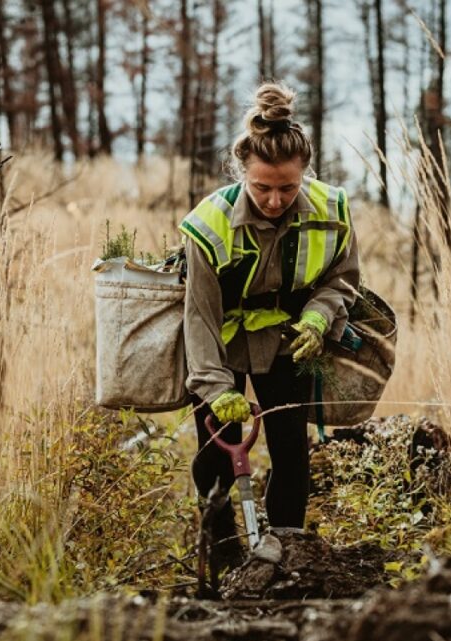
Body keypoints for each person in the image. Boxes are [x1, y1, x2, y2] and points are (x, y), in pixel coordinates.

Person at [180, 82, 360, 567]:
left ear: (305, 173)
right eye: (262, 188)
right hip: (219, 344)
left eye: (288, 187)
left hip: (287, 341)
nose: (275, 200)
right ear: (242, 174)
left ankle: (289, 555)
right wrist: (217, 389)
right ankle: (220, 560)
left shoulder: (332, 212)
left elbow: (343, 280)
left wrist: (319, 318)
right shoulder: (209, 224)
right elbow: (198, 317)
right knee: (214, 457)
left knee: (291, 452)